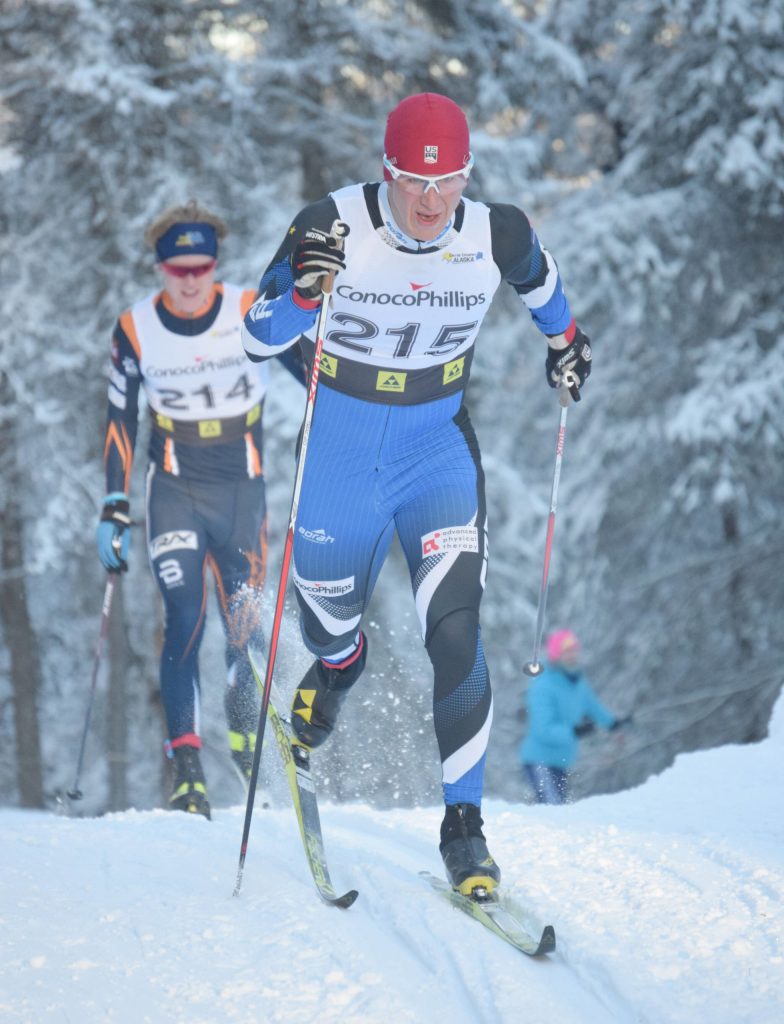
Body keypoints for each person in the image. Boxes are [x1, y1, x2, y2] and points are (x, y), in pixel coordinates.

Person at [241, 92, 593, 894]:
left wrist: (567, 345)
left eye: (449, 182)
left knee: (457, 631)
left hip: (436, 447)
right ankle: (336, 668)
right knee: (329, 626)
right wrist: (301, 295)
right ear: (386, 172)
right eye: (413, 182)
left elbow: (544, 286)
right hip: (340, 452)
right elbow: (257, 335)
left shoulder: (492, 229)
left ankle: (464, 827)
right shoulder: (327, 225)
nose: (433, 202)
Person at [96, 199, 303, 819]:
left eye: (201, 266)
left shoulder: (246, 311)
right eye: (178, 268)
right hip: (175, 494)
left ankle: (244, 745)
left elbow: (313, 371)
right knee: (183, 619)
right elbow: (119, 419)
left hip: (242, 491)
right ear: (160, 268)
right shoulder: (135, 328)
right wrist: (114, 504)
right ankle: (187, 769)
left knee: (240, 629)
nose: (190, 281)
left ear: (216, 264)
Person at [519, 629, 630, 804]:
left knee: (557, 808)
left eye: (574, 650)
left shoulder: (577, 682)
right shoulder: (543, 685)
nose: (572, 656)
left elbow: (593, 706)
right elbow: (543, 729)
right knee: (552, 808)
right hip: (540, 759)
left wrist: (613, 723)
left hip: (561, 761)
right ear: (555, 655)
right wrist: (573, 732)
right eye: (566, 652)